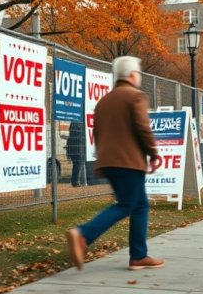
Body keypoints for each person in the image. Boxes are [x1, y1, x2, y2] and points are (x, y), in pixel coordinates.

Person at [66, 56, 164, 271]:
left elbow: (98, 134)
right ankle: (83, 234)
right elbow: (142, 128)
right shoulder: (136, 97)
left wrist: (101, 161)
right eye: (138, 73)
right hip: (129, 162)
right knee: (127, 204)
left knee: (139, 205)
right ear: (131, 75)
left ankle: (139, 255)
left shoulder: (104, 101)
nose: (138, 77)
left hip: (110, 162)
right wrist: (154, 153)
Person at [67, 120, 85, 187]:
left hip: (72, 147)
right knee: (77, 165)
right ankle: (75, 182)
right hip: (77, 148)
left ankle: (75, 181)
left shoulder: (73, 124)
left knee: (76, 165)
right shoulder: (80, 124)